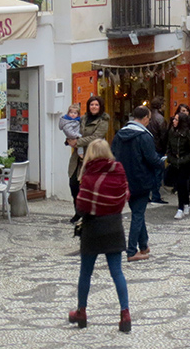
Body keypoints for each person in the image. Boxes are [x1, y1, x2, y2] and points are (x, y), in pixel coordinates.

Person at [69, 139, 132, 334]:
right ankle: (125, 313)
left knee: (85, 272)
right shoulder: (119, 171)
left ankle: (82, 311)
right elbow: (125, 195)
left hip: (93, 228)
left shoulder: (90, 174)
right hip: (114, 226)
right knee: (117, 272)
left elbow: (82, 206)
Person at [111, 106, 166, 262]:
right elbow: (152, 159)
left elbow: (112, 155)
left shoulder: (120, 134)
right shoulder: (144, 137)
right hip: (141, 180)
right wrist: (163, 162)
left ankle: (143, 245)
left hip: (124, 180)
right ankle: (131, 250)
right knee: (138, 214)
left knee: (137, 212)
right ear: (145, 118)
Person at [67, 96, 109, 223]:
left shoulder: (103, 121)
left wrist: (78, 142)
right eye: (92, 105)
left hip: (93, 156)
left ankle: (89, 214)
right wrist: (69, 140)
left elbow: (96, 137)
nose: (94, 107)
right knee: (73, 184)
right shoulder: (83, 118)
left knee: (88, 187)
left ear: (100, 106)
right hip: (78, 157)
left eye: (96, 105)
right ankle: (78, 211)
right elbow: (74, 131)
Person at [166, 111, 190, 219]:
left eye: (176, 119)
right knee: (180, 184)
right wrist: (171, 159)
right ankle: (186, 202)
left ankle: (181, 207)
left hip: (186, 162)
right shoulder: (171, 132)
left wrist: (184, 159)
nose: (173, 121)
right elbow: (168, 147)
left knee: (181, 182)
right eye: (174, 119)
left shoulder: (189, 134)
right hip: (175, 161)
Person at [147, 97, 168, 205]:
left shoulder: (148, 117)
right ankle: (155, 195)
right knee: (157, 173)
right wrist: (165, 149)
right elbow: (163, 136)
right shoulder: (160, 119)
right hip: (158, 148)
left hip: (148, 148)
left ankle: (147, 195)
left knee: (149, 172)